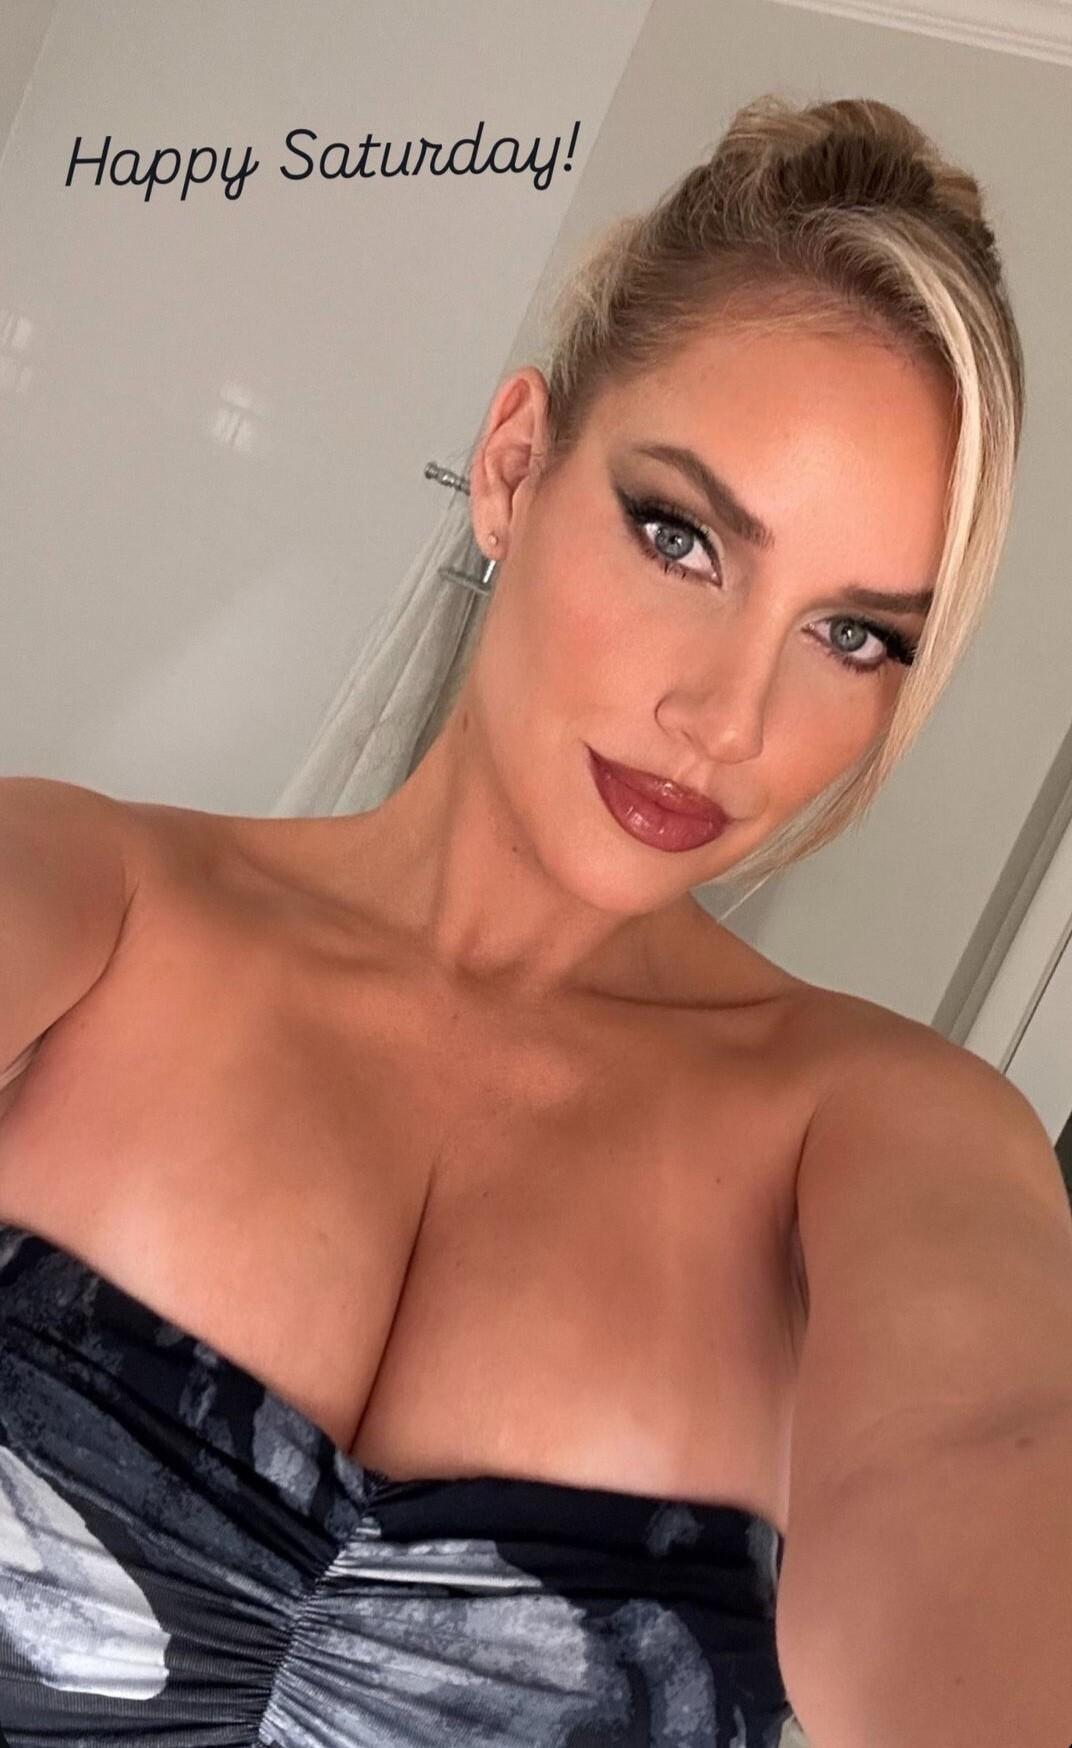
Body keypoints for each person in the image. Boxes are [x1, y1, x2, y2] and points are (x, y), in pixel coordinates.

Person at [0, 92, 1069, 1748]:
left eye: (854, 636)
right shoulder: (83, 902)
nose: (728, 718)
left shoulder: (887, 1140)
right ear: (513, 469)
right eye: (681, 538)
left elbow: (987, 1465)